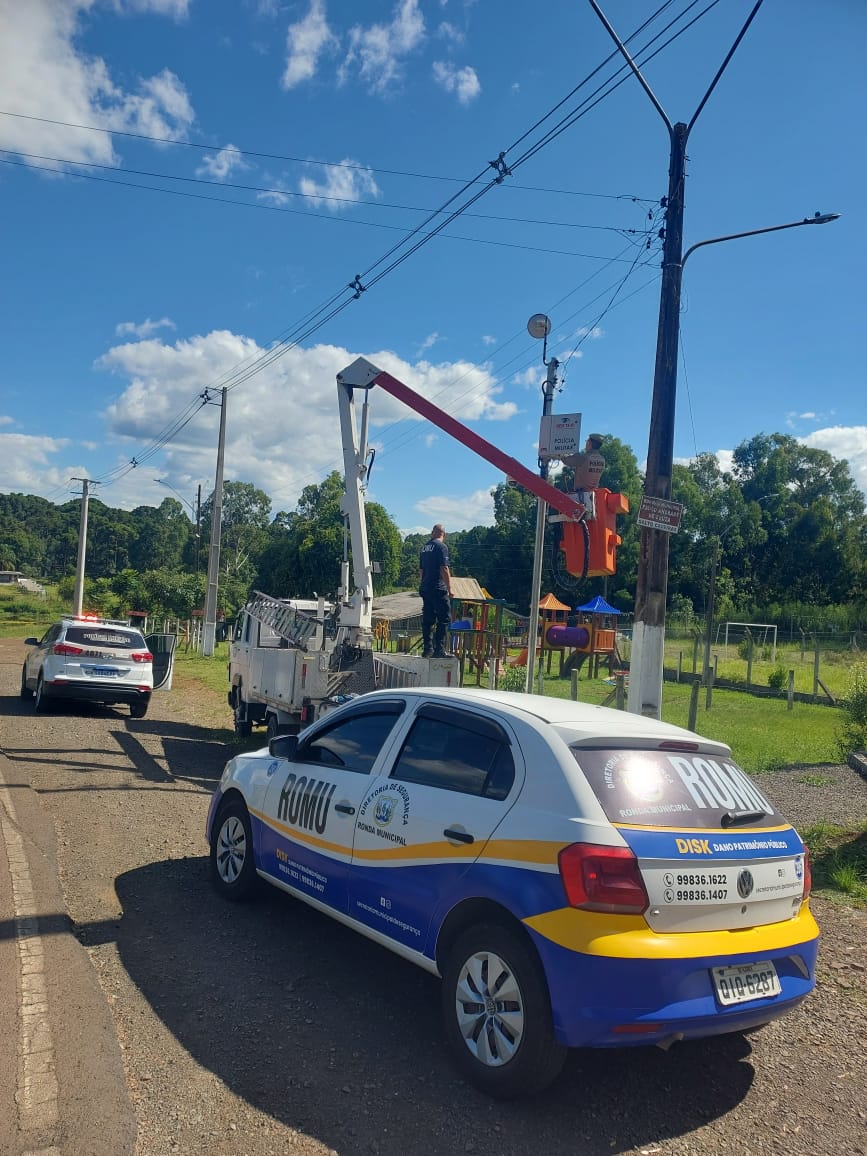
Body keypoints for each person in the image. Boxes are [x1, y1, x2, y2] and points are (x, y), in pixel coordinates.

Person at [419, 523, 452, 658]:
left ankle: (427, 649)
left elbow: (420, 570)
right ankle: (439, 649)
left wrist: (423, 584)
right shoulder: (441, 547)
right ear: (443, 534)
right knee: (444, 617)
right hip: (438, 587)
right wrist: (450, 588)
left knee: (428, 618)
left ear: (433, 533)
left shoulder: (424, 548)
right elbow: (444, 568)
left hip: (425, 587)